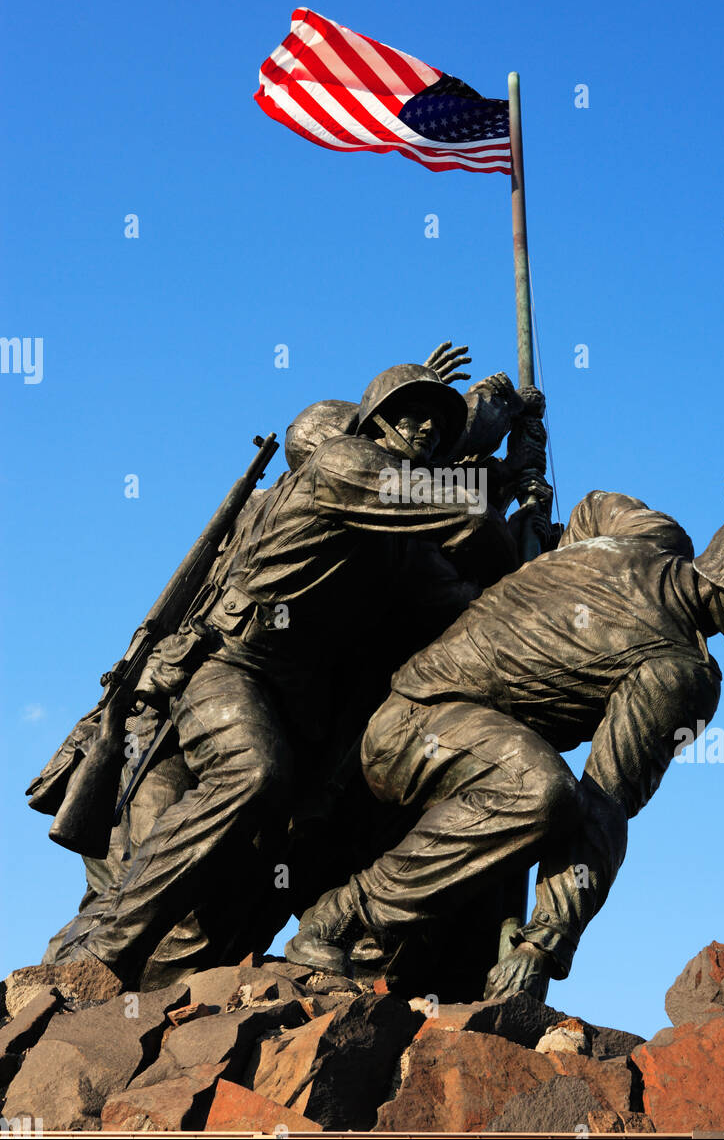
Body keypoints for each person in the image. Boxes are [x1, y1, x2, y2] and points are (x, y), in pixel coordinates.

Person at [56, 360, 544, 988]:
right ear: (372, 423)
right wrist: (490, 427)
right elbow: (464, 515)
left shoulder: (396, 546)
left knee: (263, 868)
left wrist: (527, 510)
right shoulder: (346, 463)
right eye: (410, 413)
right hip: (235, 665)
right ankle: (104, 952)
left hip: (304, 701)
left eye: (437, 420)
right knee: (251, 773)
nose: (424, 427)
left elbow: (464, 601)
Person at [286, 494, 724, 1001]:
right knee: (542, 793)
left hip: (418, 725)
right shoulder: (680, 674)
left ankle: (381, 960)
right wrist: (544, 942)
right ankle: (341, 919)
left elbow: (591, 508)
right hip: (416, 736)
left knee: (464, 943)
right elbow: (603, 804)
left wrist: (553, 566)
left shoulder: (651, 534)